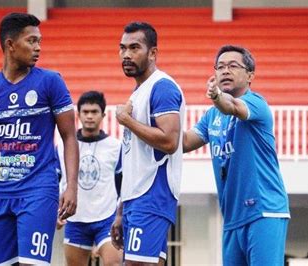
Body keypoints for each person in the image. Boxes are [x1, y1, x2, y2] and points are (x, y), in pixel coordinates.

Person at [0, 13, 79, 265]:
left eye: (40, 41)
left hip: (39, 189)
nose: (38, 48)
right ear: (10, 45)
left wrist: (71, 186)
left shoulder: (51, 82)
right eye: (31, 41)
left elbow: (69, 136)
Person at [183, 45, 290, 266]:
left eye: (233, 66)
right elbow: (183, 142)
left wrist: (215, 95)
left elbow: (231, 106)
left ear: (250, 75)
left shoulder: (256, 103)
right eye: (220, 67)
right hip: (232, 217)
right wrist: (144, 128)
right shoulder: (212, 115)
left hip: (264, 211)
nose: (225, 71)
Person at [111, 22, 186, 265]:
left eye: (134, 48)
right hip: (135, 198)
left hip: (153, 194)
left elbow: (169, 141)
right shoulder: (138, 92)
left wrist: (127, 121)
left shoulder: (162, 87)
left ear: (153, 53)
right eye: (122, 48)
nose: (126, 55)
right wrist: (121, 211)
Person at [56, 90, 123, 266]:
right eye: (85, 112)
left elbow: (123, 184)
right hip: (75, 219)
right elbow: (54, 181)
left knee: (114, 263)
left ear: (103, 115)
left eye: (94, 112)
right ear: (78, 115)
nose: (90, 116)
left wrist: (121, 214)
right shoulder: (63, 147)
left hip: (106, 218)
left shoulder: (115, 147)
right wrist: (54, 211)